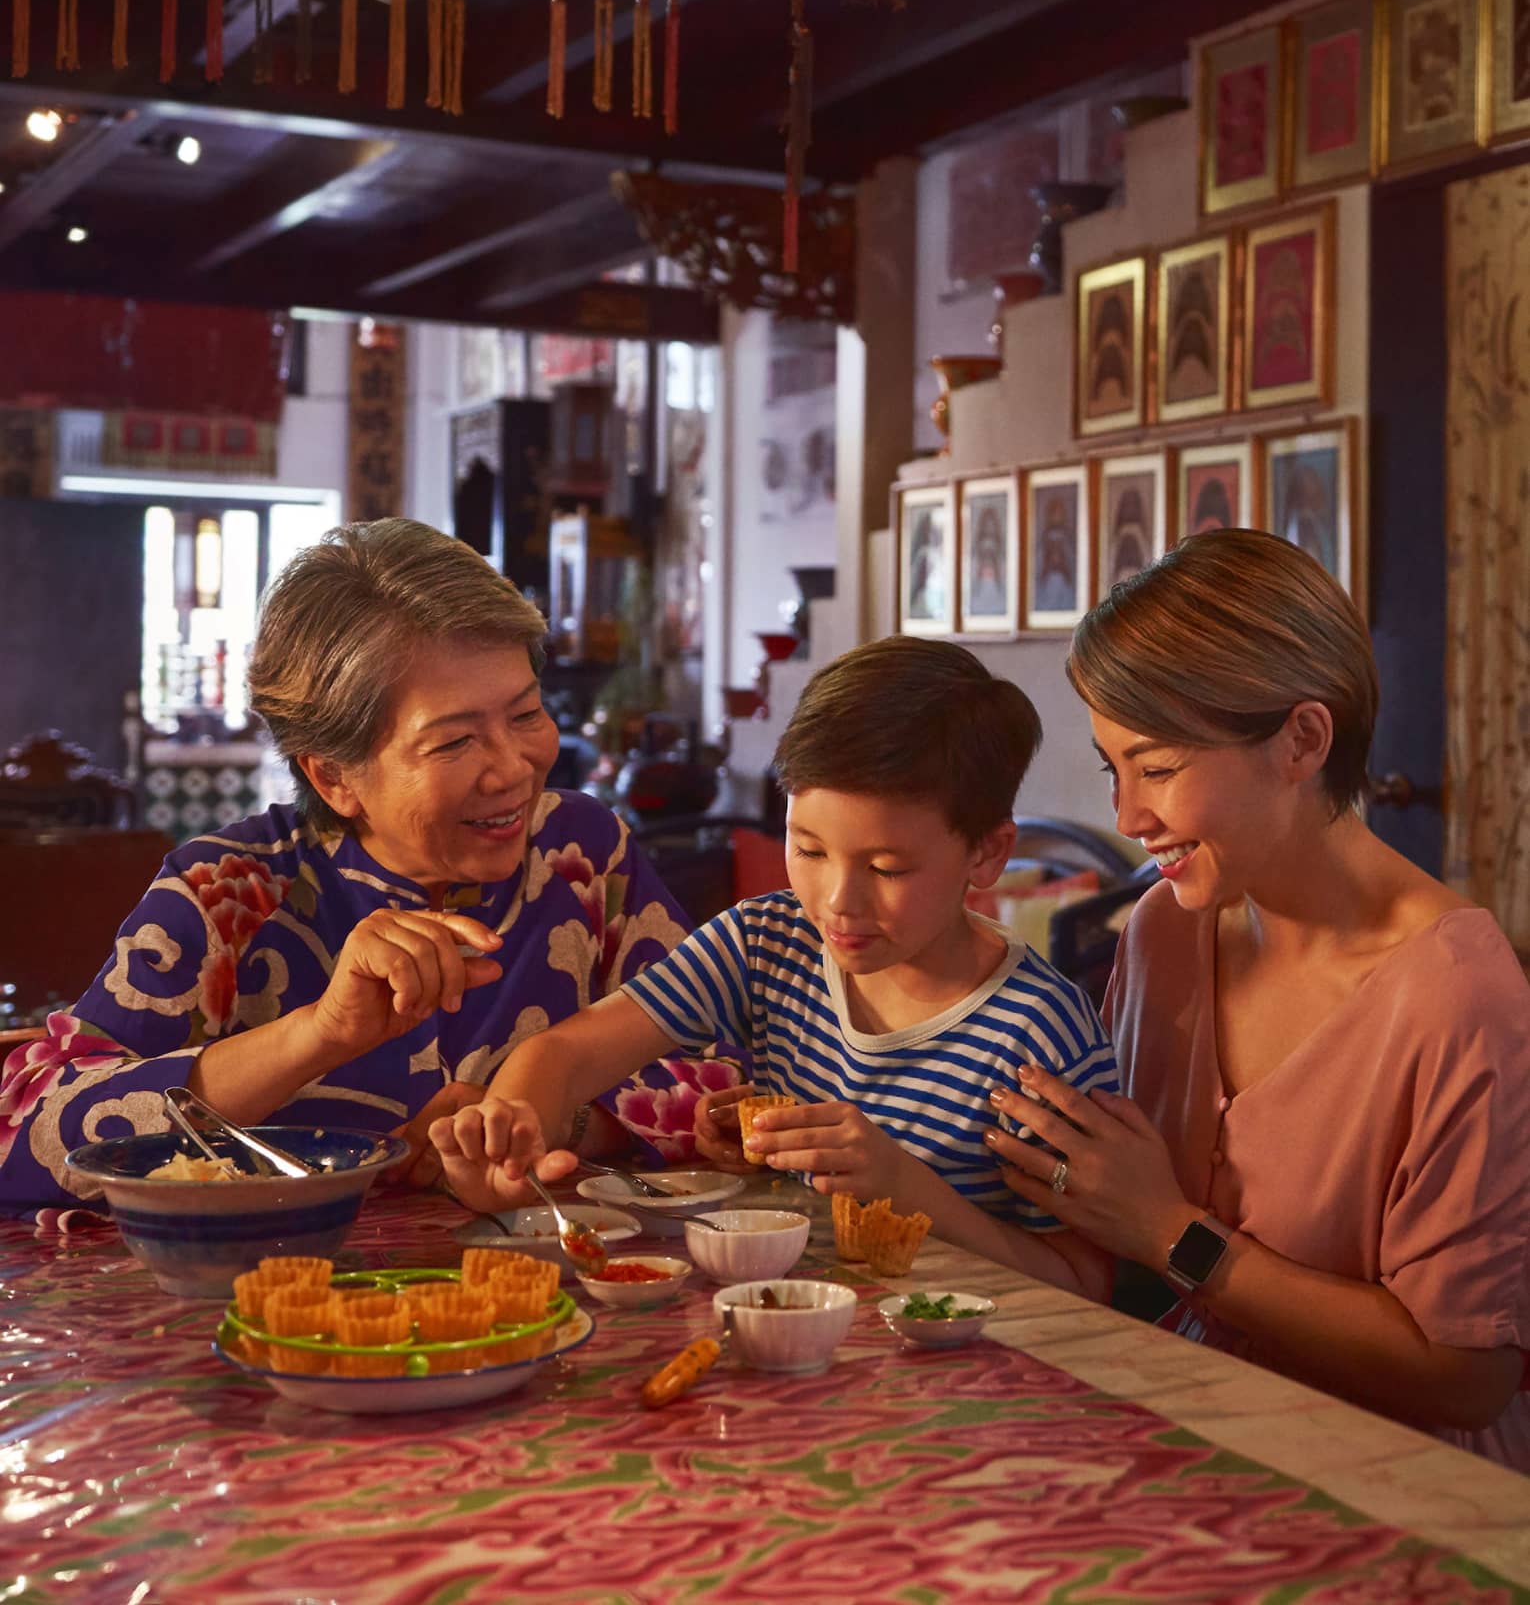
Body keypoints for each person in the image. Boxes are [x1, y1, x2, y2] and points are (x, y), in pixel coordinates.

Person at [985, 527, 1530, 1467]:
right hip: (1203, 1429)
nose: (1126, 818)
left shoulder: (1457, 996)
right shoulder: (1165, 929)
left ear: (1302, 741)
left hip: (1403, 1488)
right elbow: (1109, 1221)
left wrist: (1173, 1235)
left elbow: (1466, 1375)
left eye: (1156, 769)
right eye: (1116, 769)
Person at [0, 519, 732, 1215]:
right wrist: (319, 1033)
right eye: (453, 744)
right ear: (334, 778)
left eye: (526, 714)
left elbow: (726, 1073)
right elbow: (26, 1126)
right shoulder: (230, 893)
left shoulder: (580, 854)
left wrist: (536, 1120)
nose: (514, 769)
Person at [431, 638, 1118, 1295]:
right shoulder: (770, 942)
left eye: (887, 868)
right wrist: (511, 1137)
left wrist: (902, 1189)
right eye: (809, 850)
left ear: (988, 854)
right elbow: (567, 1054)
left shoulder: (1037, 1035)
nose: (837, 903)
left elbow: (1090, 1288)